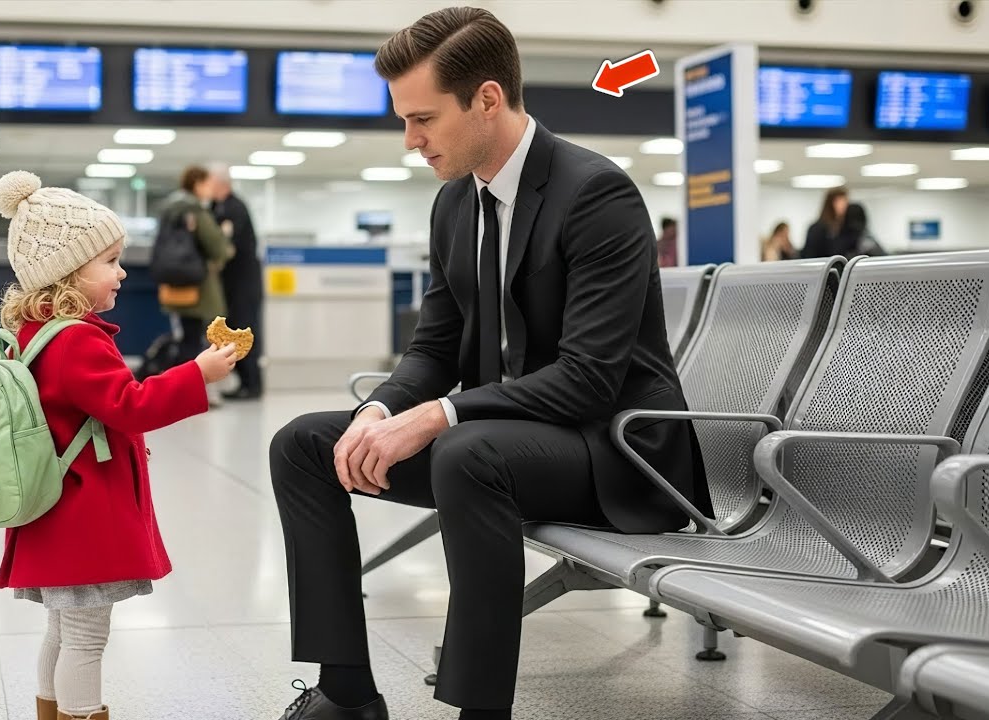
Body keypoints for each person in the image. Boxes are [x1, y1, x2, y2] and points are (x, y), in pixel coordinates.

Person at [268, 7, 707, 720]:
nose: (411, 141)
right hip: (506, 441)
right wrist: (380, 409)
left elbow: (589, 378)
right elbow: (435, 348)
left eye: (423, 119)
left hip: (616, 451)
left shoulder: (596, 193)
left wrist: (439, 415)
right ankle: (345, 695)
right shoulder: (453, 206)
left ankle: (480, 711)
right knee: (306, 444)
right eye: (404, 121)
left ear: (487, 100)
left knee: (467, 451)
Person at [0, 170, 238, 720]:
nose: (122, 273)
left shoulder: (33, 333)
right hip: (84, 515)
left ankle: (50, 712)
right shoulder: (78, 339)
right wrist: (198, 373)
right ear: (67, 273)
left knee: (61, 628)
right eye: (109, 261)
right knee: (85, 639)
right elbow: (132, 405)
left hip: (51, 511)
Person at [157, 165, 233, 371]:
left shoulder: (169, 208)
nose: (211, 189)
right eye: (208, 184)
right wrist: (225, 236)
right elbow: (218, 248)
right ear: (198, 184)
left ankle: (174, 385)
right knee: (195, 341)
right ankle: (187, 389)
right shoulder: (196, 210)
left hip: (173, 283)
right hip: (199, 286)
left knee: (184, 336)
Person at [208, 163, 265, 399]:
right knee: (233, 327)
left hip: (244, 283)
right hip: (230, 284)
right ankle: (243, 382)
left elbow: (229, 246)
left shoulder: (235, 207)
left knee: (245, 328)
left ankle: (252, 385)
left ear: (222, 184)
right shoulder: (217, 206)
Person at [799, 186, 848, 259]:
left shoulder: (845, 228)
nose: (844, 205)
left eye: (845, 201)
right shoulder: (817, 229)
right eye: (840, 201)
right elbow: (810, 255)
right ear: (830, 203)